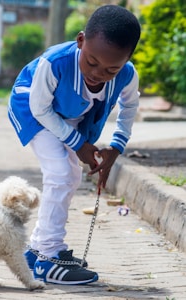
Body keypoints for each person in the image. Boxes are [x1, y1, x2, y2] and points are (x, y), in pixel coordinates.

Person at [8, 4, 141, 285]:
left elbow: (129, 108)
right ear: (81, 41)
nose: (98, 73)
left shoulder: (127, 74)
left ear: (127, 59)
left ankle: (36, 251)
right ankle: (49, 257)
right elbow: (40, 109)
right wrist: (79, 144)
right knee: (61, 173)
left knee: (71, 175)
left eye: (111, 69)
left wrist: (116, 148)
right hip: (32, 108)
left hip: (68, 115)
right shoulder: (55, 63)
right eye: (91, 61)